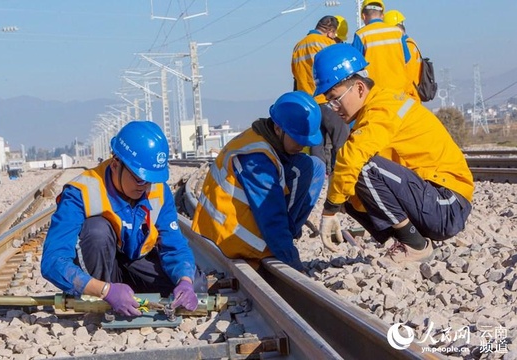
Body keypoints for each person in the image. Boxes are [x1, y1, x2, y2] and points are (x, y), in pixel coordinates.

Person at [312, 43, 474, 263]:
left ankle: (415, 246)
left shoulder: (382, 108)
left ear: (359, 88)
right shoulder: (370, 115)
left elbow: (351, 158)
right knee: (347, 189)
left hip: (447, 205)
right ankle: (406, 240)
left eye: (335, 98)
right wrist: (341, 202)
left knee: (360, 167)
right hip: (434, 200)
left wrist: (329, 211)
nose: (333, 107)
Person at [41, 121, 205, 316]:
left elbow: (175, 246)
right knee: (97, 231)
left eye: (151, 180)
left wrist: (185, 282)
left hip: (135, 262)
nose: (145, 186)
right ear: (116, 164)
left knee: (196, 284)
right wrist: (105, 290)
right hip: (101, 274)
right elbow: (53, 261)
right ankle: (103, 305)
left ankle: (134, 301)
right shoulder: (81, 192)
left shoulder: (158, 191)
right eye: (139, 178)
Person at [191, 91, 325, 272]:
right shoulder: (256, 160)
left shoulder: (262, 137)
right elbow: (271, 216)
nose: (303, 146)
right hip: (228, 239)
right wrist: (293, 264)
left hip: (236, 229)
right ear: (278, 129)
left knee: (313, 166)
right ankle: (278, 245)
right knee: (278, 222)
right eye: (298, 139)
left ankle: (285, 237)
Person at [291, 15, 349, 175]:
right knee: (341, 142)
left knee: (316, 146)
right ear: (331, 32)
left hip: (309, 104)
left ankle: (319, 181)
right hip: (328, 100)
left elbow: (295, 76)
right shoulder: (326, 43)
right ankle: (340, 179)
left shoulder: (298, 46)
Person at [351, 0, 417, 100]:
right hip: (399, 92)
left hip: (375, 93)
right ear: (382, 16)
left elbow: (355, 66)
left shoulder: (361, 35)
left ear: (363, 16)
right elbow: (407, 58)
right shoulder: (397, 32)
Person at [383, 9, 422, 102]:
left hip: (407, 97)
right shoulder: (410, 43)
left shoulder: (405, 46)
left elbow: (406, 76)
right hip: (411, 96)